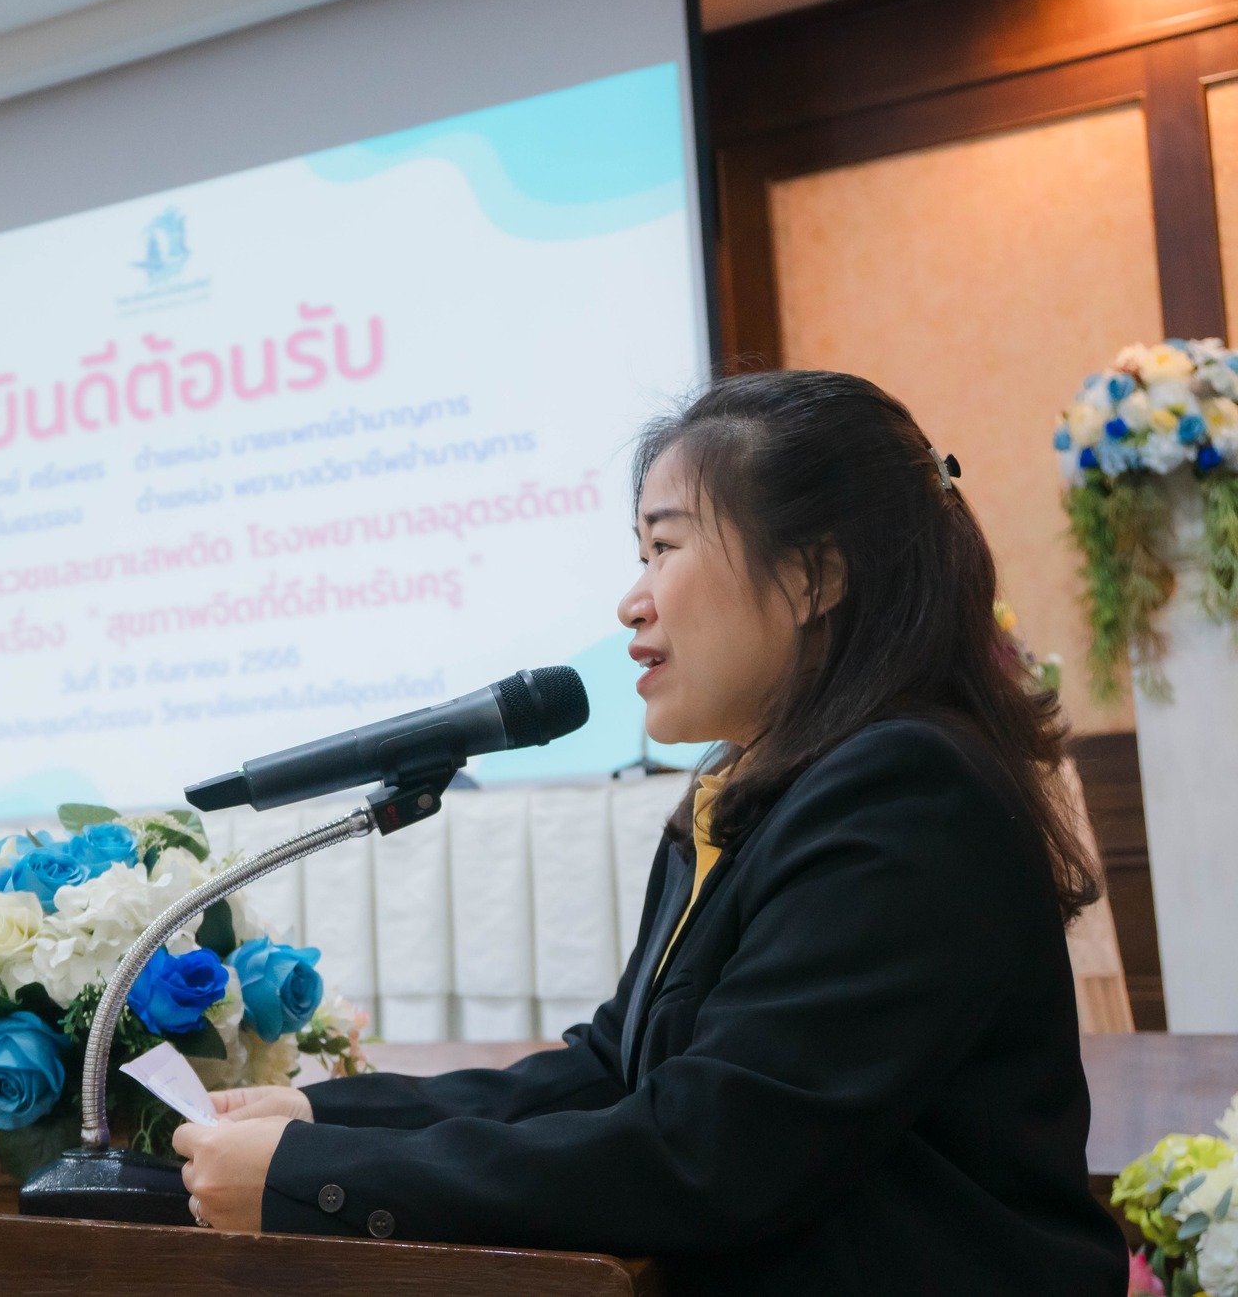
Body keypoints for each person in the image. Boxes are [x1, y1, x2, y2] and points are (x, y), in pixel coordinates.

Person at [172, 371, 1128, 1294]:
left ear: (814, 573)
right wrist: (320, 1114)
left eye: (663, 549)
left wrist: (319, 1177)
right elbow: (609, 1071)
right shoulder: (748, 789)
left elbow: (710, 1147)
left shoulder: (907, 792)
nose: (632, 601)